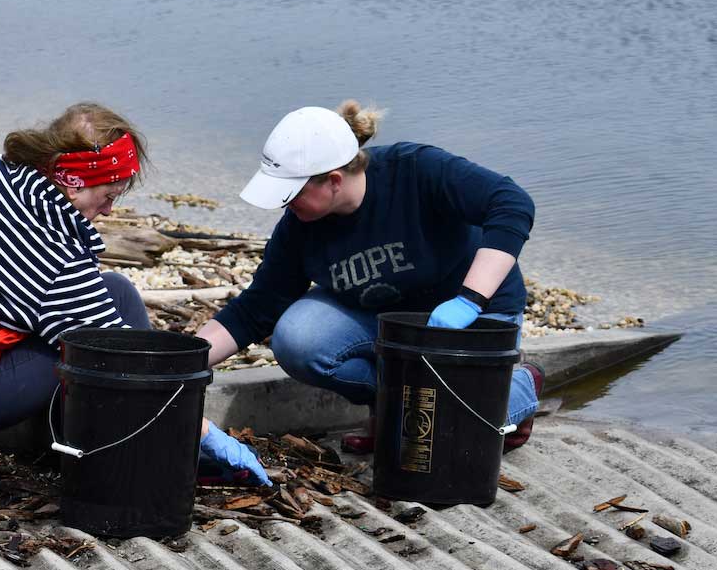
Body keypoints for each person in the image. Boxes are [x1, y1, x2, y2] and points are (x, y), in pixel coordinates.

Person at [0, 102, 271, 484]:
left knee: (116, 290)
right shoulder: (54, 257)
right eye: (108, 195)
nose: (108, 210)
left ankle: (110, 437)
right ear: (73, 184)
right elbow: (126, 359)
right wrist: (200, 431)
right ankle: (132, 457)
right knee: (102, 357)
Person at [196, 102, 543, 453]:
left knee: (447, 436)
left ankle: (521, 385)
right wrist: (183, 360)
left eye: (292, 194)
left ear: (333, 181)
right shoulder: (300, 228)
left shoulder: (415, 170)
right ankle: (395, 408)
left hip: (471, 318)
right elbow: (256, 309)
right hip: (388, 325)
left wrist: (470, 300)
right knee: (300, 338)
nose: (286, 206)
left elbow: (512, 204)